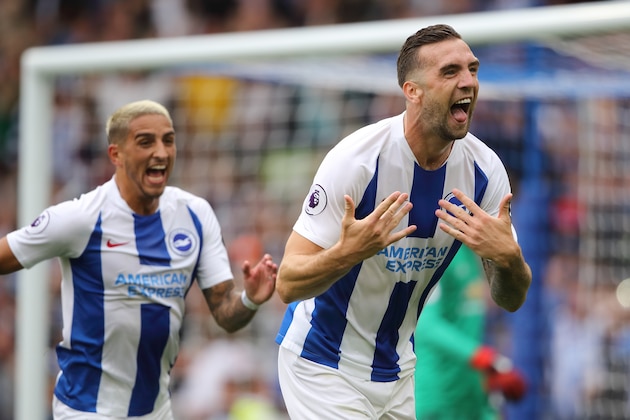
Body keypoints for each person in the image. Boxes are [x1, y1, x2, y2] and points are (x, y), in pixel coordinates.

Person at [274, 24, 532, 419]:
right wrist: (349, 253)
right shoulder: (357, 160)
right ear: (412, 91)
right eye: (450, 72)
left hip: (399, 373)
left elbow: (510, 299)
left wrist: (510, 260)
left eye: (473, 69)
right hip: (322, 362)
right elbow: (288, 282)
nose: (468, 82)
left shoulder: (485, 172)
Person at [0, 99, 277, 419]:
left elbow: (226, 313)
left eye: (168, 140)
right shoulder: (81, 218)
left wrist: (251, 300)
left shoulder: (195, 214)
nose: (161, 152)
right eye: (146, 141)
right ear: (116, 154)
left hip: (156, 410)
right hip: (88, 409)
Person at [414, 244, 527, 420]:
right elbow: (426, 325)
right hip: (436, 393)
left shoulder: (476, 252)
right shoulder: (439, 248)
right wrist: (484, 358)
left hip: (469, 394)